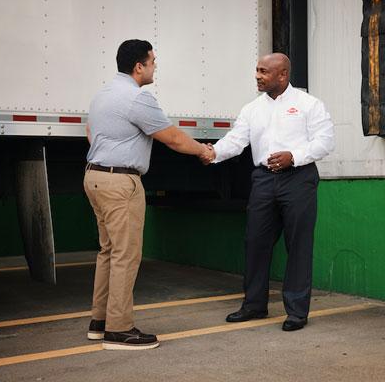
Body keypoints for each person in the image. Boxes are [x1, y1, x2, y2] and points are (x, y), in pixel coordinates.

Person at [84, 39, 213, 350]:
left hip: (95, 176)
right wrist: (203, 151)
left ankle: (99, 322)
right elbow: (172, 137)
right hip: (120, 183)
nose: (156, 66)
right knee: (126, 256)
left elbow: (91, 133)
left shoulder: (103, 95)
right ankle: (119, 329)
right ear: (138, 66)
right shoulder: (138, 98)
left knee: (109, 252)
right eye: (153, 61)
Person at [206, 53, 334, 331]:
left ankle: (297, 312)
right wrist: (213, 152)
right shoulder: (252, 109)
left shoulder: (308, 105)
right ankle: (254, 306)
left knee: (298, 245)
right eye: (257, 70)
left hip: (299, 179)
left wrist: (295, 156)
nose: (257, 76)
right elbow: (236, 140)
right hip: (263, 180)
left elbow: (325, 142)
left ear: (283, 75)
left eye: (263, 71)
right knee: (255, 242)